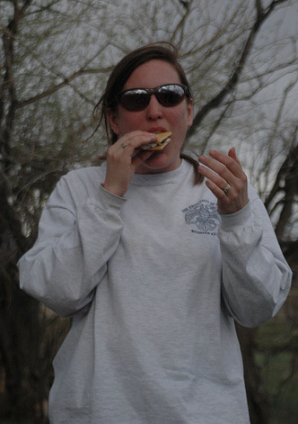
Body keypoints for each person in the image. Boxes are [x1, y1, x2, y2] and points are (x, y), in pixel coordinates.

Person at [18, 42, 292, 424]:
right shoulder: (78, 189)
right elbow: (57, 293)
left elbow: (257, 309)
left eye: (169, 95)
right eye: (135, 100)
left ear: (189, 110)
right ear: (115, 120)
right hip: (98, 411)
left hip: (206, 414)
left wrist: (236, 219)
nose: (154, 110)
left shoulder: (227, 193)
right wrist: (110, 195)